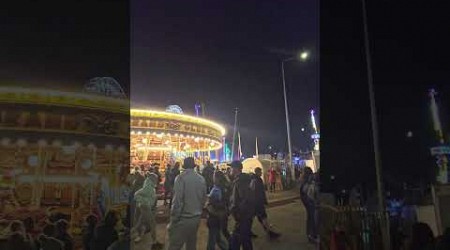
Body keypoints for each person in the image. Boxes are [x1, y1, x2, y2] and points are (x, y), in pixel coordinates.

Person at [167, 157, 207, 250]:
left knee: (174, 245)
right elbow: (203, 198)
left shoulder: (181, 178)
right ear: (193, 166)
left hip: (183, 218)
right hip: (196, 218)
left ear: (184, 166)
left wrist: (174, 219)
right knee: (191, 244)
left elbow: (177, 201)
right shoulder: (201, 179)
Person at [228, 160, 256, 250]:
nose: (230, 170)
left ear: (236, 169)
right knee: (245, 240)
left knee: (235, 241)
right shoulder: (241, 180)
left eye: (231, 168)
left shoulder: (241, 181)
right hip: (245, 216)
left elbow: (245, 199)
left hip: (243, 217)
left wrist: (238, 214)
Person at [250, 167, 281, 239]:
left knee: (259, 219)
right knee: (263, 218)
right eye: (260, 172)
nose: (261, 173)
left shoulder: (256, 180)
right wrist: (262, 201)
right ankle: (270, 233)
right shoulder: (255, 181)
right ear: (257, 172)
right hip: (258, 203)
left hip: (257, 203)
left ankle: (269, 233)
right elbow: (256, 193)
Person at [205, 170, 229, 250]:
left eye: (214, 176)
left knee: (211, 242)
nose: (212, 178)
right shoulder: (223, 187)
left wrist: (208, 203)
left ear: (217, 178)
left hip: (214, 216)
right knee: (218, 238)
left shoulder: (217, 189)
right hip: (219, 216)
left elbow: (214, 204)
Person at [132, 172, 157, 243]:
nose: (157, 180)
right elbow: (136, 194)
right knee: (152, 223)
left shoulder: (149, 185)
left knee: (139, 224)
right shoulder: (148, 186)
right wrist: (146, 201)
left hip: (144, 206)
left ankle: (128, 235)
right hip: (145, 207)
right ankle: (155, 241)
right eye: (156, 179)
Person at [300, 167, 318, 243]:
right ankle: (312, 235)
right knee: (312, 217)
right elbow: (308, 192)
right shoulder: (308, 181)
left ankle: (311, 235)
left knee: (310, 217)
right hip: (309, 201)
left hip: (307, 200)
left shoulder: (304, 180)